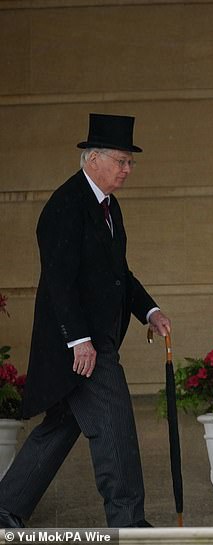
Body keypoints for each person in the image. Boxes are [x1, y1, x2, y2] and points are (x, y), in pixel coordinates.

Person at [0, 113, 171, 529]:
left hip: (93, 341)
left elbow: (119, 275)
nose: (128, 170)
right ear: (93, 159)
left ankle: (4, 508)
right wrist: (79, 340)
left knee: (60, 428)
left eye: (130, 162)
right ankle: (129, 525)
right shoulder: (66, 205)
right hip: (82, 347)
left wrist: (149, 310)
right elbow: (58, 280)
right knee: (115, 426)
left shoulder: (109, 208)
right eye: (121, 161)